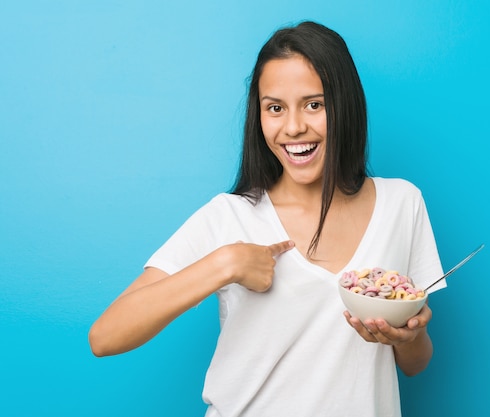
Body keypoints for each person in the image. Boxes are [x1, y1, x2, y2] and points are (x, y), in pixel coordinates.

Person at [89, 20, 445, 417]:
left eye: (315, 104)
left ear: (346, 105)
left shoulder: (402, 203)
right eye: (275, 108)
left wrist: (408, 335)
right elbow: (105, 336)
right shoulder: (231, 217)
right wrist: (224, 264)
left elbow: (415, 365)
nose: (293, 127)